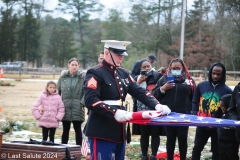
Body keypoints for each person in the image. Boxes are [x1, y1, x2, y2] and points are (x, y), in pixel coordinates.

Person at [83, 40, 171, 160]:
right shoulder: (95, 73)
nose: (121, 58)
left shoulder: (123, 73)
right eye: (118, 55)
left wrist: (157, 105)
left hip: (119, 131)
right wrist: (115, 112)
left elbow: (139, 91)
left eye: (122, 55)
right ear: (107, 53)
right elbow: (90, 100)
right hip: (101, 131)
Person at [152, 58, 196, 160]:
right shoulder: (164, 79)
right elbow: (153, 94)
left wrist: (193, 111)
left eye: (178, 68)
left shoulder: (189, 80)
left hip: (184, 115)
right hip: (169, 115)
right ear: (170, 68)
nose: (175, 70)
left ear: (182, 68)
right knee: (170, 138)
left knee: (183, 138)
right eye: (173, 68)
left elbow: (194, 97)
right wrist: (162, 88)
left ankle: (183, 158)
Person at [191, 62, 232, 160]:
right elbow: (195, 100)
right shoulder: (201, 86)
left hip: (217, 126)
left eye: (218, 74)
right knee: (197, 148)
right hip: (202, 123)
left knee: (216, 150)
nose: (215, 76)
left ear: (223, 75)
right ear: (210, 73)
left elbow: (229, 109)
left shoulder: (228, 91)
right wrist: (194, 114)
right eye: (213, 73)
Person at [136, 59, 163, 160]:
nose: (147, 68)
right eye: (144, 67)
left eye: (148, 66)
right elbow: (133, 92)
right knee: (144, 133)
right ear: (140, 68)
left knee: (155, 132)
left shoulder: (158, 76)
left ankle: (154, 155)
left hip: (155, 107)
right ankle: (144, 155)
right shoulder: (136, 78)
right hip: (142, 110)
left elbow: (160, 90)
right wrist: (139, 82)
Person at [57, 57, 85, 146]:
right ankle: (63, 149)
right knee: (65, 129)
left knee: (78, 130)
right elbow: (57, 92)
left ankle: (79, 149)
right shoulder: (63, 78)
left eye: (76, 65)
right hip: (65, 107)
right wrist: (58, 104)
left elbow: (86, 92)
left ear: (78, 66)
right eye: (72, 65)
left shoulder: (82, 78)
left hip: (78, 107)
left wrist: (82, 103)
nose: (74, 67)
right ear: (68, 65)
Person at [214, 94, 239, 160]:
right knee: (222, 157)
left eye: (223, 106)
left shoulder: (233, 114)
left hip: (231, 142)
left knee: (231, 157)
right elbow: (214, 119)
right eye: (220, 106)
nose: (222, 108)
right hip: (221, 141)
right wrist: (219, 109)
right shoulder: (221, 113)